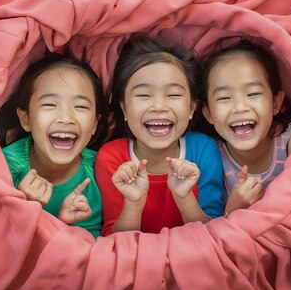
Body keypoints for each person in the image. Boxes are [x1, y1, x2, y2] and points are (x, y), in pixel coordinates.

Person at [95, 35, 225, 236]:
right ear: (124, 109)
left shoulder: (203, 149)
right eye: (143, 95)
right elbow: (113, 238)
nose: (158, 107)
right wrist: (134, 203)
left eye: (173, 95)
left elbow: (213, 230)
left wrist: (184, 197)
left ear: (192, 108)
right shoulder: (111, 157)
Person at [0, 52, 108, 237]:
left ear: (95, 123)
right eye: (49, 105)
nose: (66, 118)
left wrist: (64, 227)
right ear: (26, 119)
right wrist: (23, 207)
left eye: (80, 106)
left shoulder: (103, 171)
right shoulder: (2, 167)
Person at [201, 38, 291, 216]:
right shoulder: (209, 157)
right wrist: (233, 211)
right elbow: (208, 233)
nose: (240, 107)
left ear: (276, 103)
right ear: (209, 113)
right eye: (224, 98)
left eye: (253, 93)